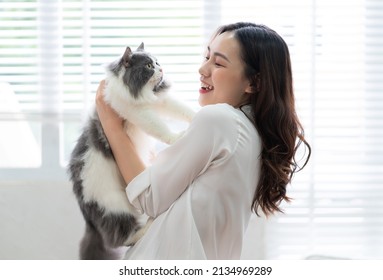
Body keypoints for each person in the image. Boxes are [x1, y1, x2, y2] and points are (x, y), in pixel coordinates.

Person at [95, 22, 311, 259]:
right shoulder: (251, 133)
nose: (202, 69)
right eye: (206, 57)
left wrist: (112, 125)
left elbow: (150, 197)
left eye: (217, 63)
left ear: (254, 83)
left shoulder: (220, 120)